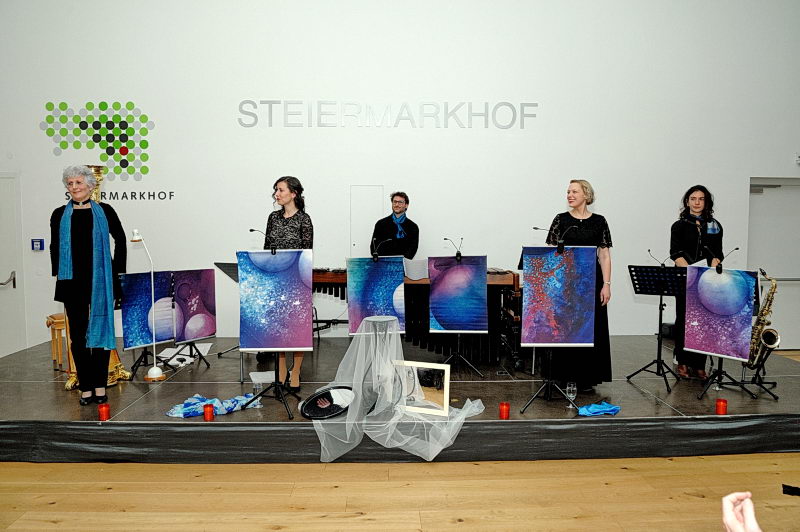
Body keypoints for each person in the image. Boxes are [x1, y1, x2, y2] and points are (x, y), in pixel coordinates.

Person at [50, 165, 126, 405]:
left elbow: (121, 240)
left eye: (78, 183)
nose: (74, 187)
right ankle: (86, 387)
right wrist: (59, 274)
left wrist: (117, 274)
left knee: (101, 333)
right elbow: (54, 246)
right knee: (78, 337)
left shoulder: (105, 211)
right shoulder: (59, 214)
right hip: (72, 283)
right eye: (70, 183)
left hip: (101, 282)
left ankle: (100, 385)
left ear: (91, 186)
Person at [545, 179, 613, 392]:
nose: (570, 195)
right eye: (568, 192)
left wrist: (607, 284)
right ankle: (563, 376)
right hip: (566, 283)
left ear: (586, 195)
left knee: (590, 327)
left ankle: (586, 378)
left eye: (574, 191)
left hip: (592, 282)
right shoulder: (561, 220)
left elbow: (604, 255)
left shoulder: (599, 221)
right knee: (566, 326)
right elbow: (551, 253)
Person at [263, 176, 313, 391]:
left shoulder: (304, 219)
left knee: (297, 327)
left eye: (281, 190)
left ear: (294, 193)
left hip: (296, 281)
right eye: (276, 190)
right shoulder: (273, 218)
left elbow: (307, 254)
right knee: (279, 327)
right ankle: (282, 370)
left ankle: (296, 371)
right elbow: (267, 249)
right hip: (276, 280)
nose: (277, 194)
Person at [669, 184, 723, 380]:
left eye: (701, 199)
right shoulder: (679, 225)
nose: (697, 202)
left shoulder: (714, 225)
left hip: (706, 280)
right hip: (685, 278)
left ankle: (698, 364)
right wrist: (691, 272)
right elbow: (675, 254)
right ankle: (682, 361)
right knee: (684, 320)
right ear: (687, 202)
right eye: (693, 199)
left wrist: (713, 266)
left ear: (706, 202)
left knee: (703, 322)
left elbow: (718, 253)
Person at [370, 191, 419, 259]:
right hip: (383, 263)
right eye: (395, 202)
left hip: (403, 263)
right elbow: (374, 247)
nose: (397, 205)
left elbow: (413, 249)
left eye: (400, 202)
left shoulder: (413, 227)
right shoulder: (381, 224)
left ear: (406, 205)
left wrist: (400, 261)